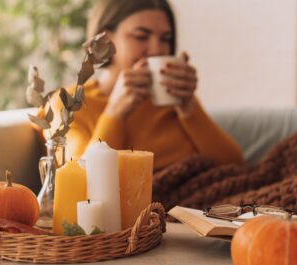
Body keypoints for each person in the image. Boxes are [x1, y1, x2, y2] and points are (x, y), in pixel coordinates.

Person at [54, 0, 244, 171]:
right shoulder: (69, 103)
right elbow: (80, 181)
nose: (157, 50)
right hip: (149, 207)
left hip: (201, 199)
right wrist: (115, 113)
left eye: (165, 39)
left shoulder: (173, 100)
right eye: (141, 37)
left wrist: (189, 108)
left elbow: (236, 165)